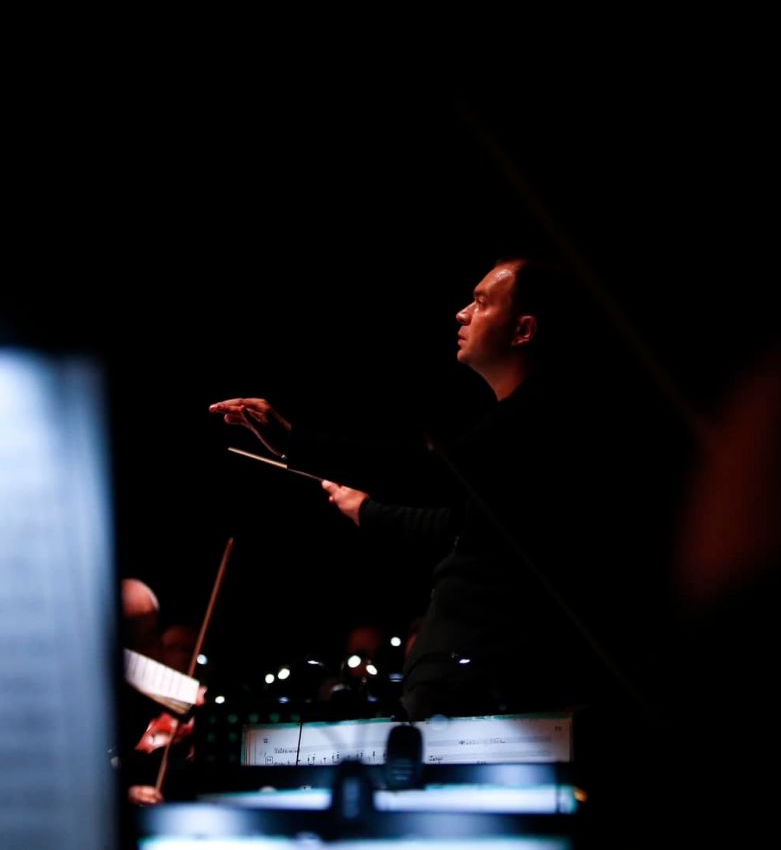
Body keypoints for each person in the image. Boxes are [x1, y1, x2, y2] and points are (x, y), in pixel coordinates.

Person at [212, 257, 679, 723]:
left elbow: (429, 474)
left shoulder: (541, 420)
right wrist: (367, 510)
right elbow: (462, 524)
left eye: (481, 302)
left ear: (523, 330)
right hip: (475, 682)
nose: (462, 313)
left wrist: (294, 442)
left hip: (484, 686)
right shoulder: (520, 423)